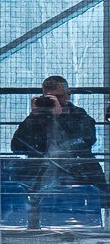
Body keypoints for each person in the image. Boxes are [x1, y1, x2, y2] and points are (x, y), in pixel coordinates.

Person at [12, 76, 107, 223]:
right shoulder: (37, 119)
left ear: (68, 94)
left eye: (59, 96)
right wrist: (33, 117)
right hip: (43, 175)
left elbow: (85, 141)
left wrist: (61, 116)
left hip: (77, 174)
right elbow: (17, 147)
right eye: (50, 97)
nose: (55, 100)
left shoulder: (80, 116)